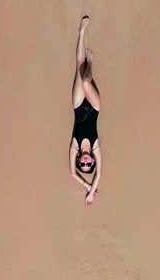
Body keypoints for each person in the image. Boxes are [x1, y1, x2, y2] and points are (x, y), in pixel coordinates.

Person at [69, 15, 102, 204]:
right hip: (94, 107)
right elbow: (100, 174)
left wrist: (87, 188)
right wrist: (92, 187)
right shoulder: (96, 148)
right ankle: (91, 62)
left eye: (83, 164)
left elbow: (73, 173)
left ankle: (81, 33)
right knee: (86, 79)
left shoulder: (75, 147)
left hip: (78, 106)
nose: (86, 162)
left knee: (78, 69)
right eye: (90, 165)